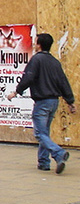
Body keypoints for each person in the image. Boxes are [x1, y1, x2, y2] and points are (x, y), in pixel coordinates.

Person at [6, 33, 76, 173]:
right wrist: (70, 101)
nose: (34, 44)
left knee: (39, 134)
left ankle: (58, 153)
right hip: (53, 102)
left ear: (39, 45)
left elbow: (28, 77)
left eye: (35, 42)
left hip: (42, 101)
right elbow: (63, 82)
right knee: (44, 132)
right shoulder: (55, 62)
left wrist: (16, 92)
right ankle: (43, 162)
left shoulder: (36, 60)